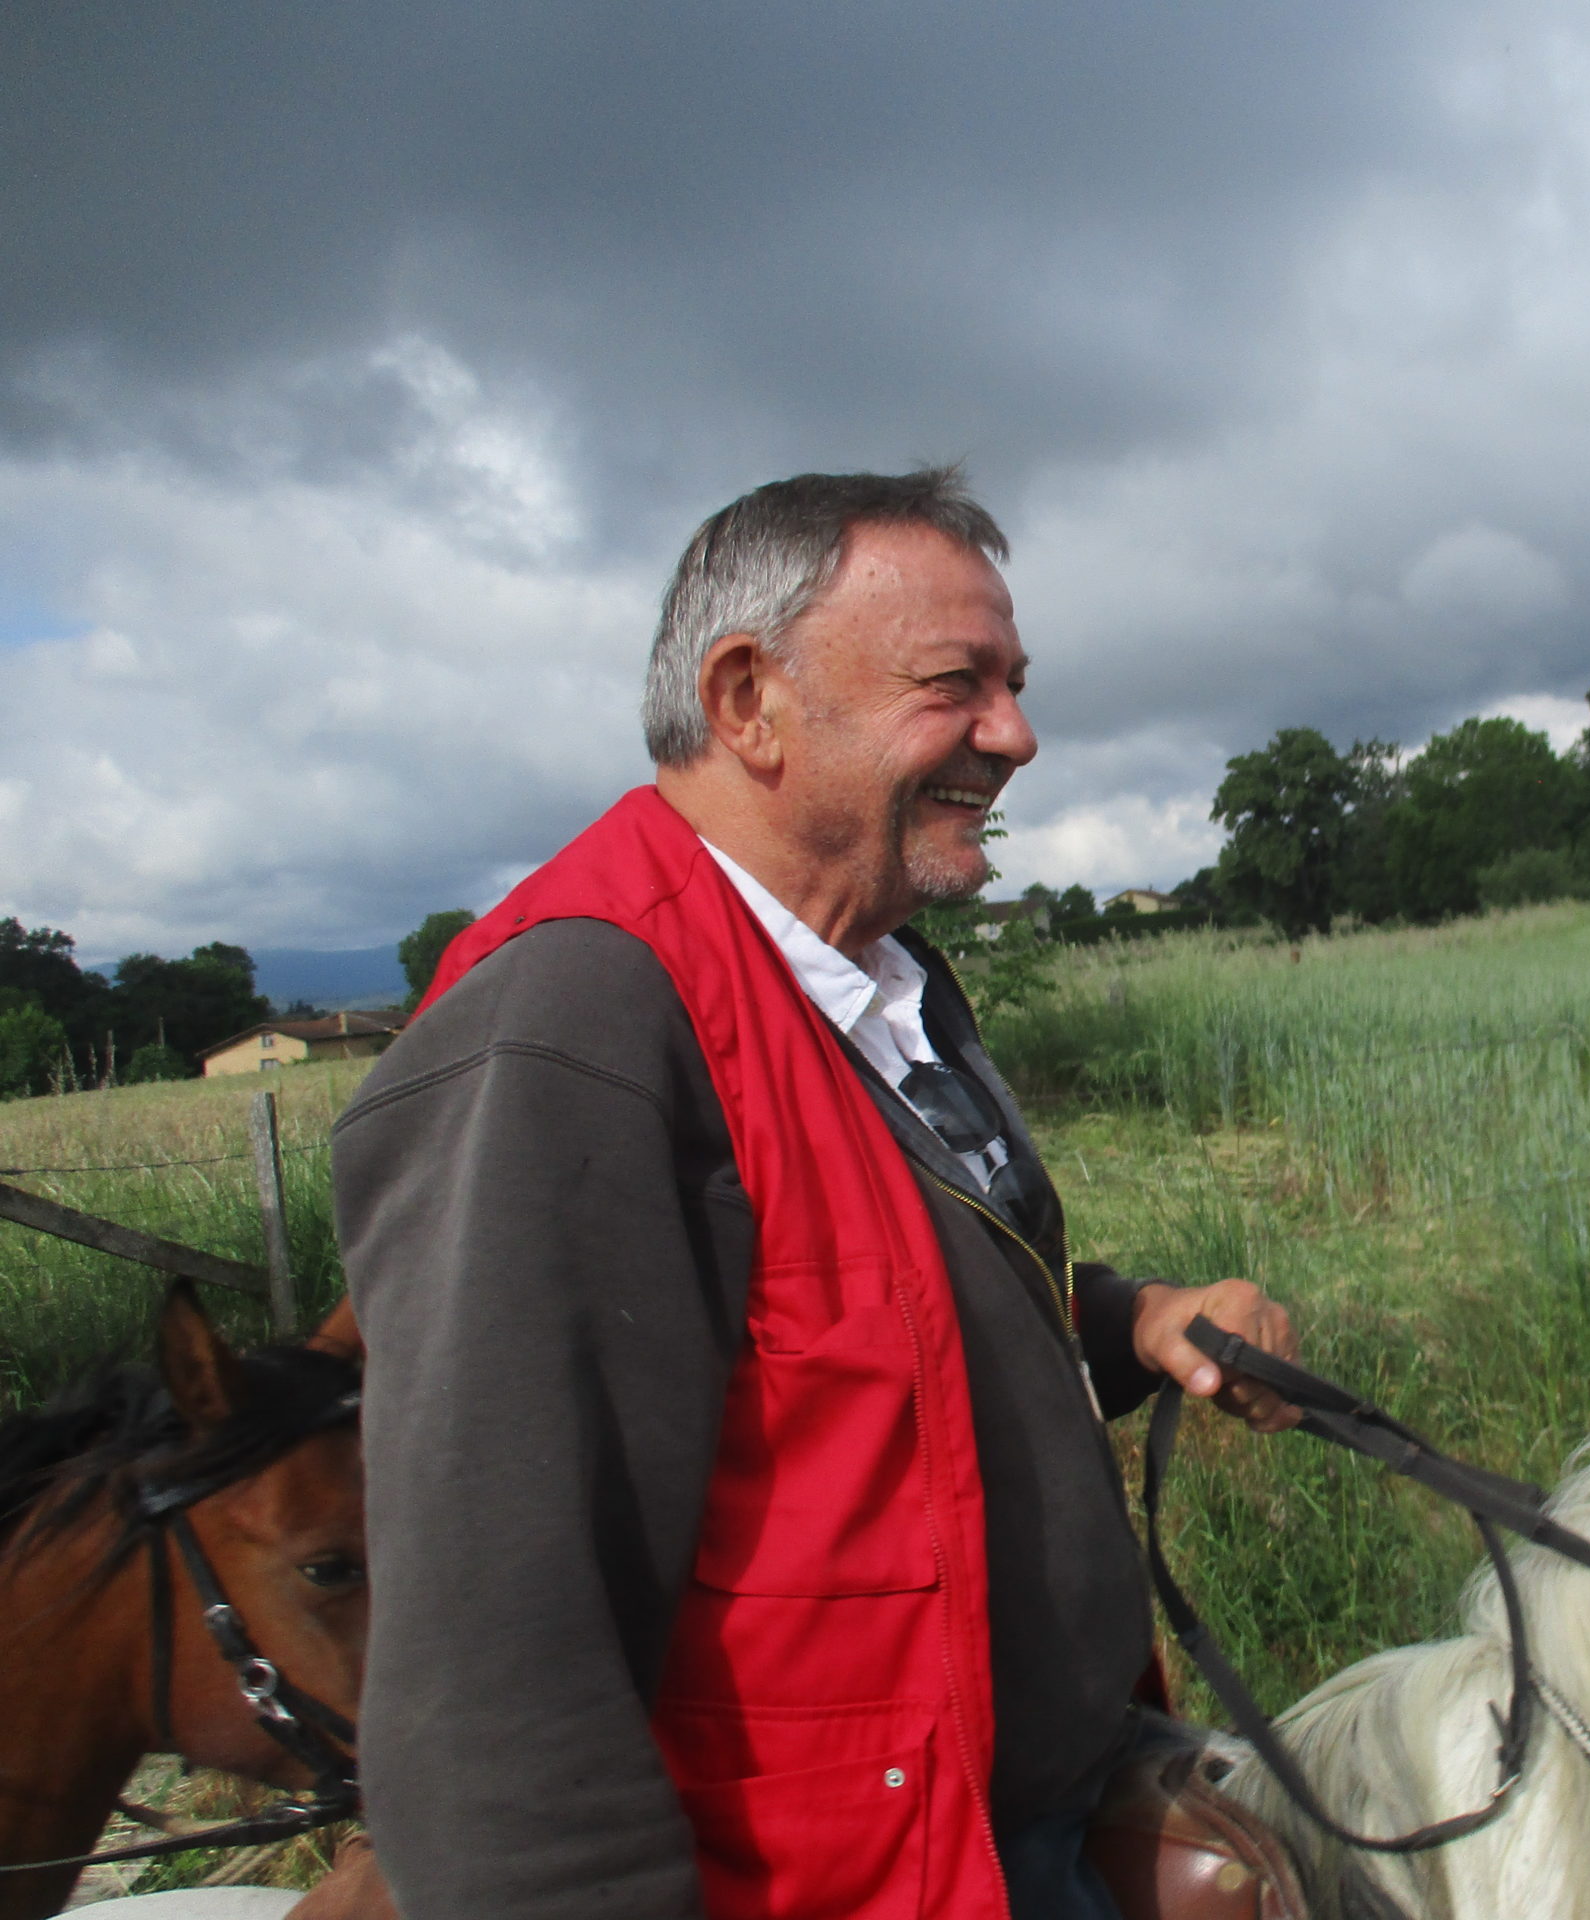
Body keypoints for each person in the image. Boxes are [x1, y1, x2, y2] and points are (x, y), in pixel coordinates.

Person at [334, 468, 1299, 1920]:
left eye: (1017, 685)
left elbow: (864, 1337)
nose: (1018, 736)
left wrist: (1137, 1321)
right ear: (746, 701)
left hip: (1022, 1829)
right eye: (955, 685)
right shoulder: (576, 1027)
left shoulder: (881, 985)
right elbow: (494, 1657)